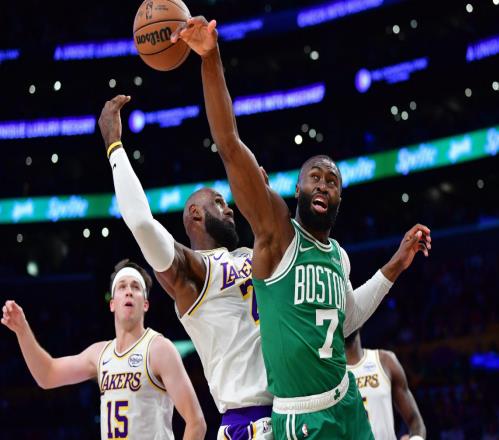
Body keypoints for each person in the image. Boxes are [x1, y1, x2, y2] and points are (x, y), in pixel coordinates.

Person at [171, 16, 432, 439]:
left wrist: (396, 265)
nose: (324, 184)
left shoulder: (338, 256)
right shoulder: (277, 235)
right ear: (297, 189)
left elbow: (347, 317)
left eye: (332, 181)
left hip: (346, 401)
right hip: (299, 417)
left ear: (339, 199)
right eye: (315, 177)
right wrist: (210, 56)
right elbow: (229, 144)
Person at [99, 99, 274, 439]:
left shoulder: (252, 254)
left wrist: (265, 198)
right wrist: (114, 147)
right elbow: (141, 223)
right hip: (249, 421)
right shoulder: (195, 272)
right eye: (219, 203)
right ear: (195, 213)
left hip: (292, 411)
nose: (229, 210)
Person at [1, 259, 206, 440]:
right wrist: (22, 331)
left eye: (135, 287)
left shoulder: (159, 349)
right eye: (122, 286)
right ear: (112, 304)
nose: (128, 291)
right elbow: (47, 375)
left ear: (145, 304)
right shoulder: (99, 354)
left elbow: (196, 422)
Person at [345, 329, 426, 440]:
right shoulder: (326, 375)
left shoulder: (385, 361)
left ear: (360, 322)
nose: (347, 322)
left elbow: (415, 420)